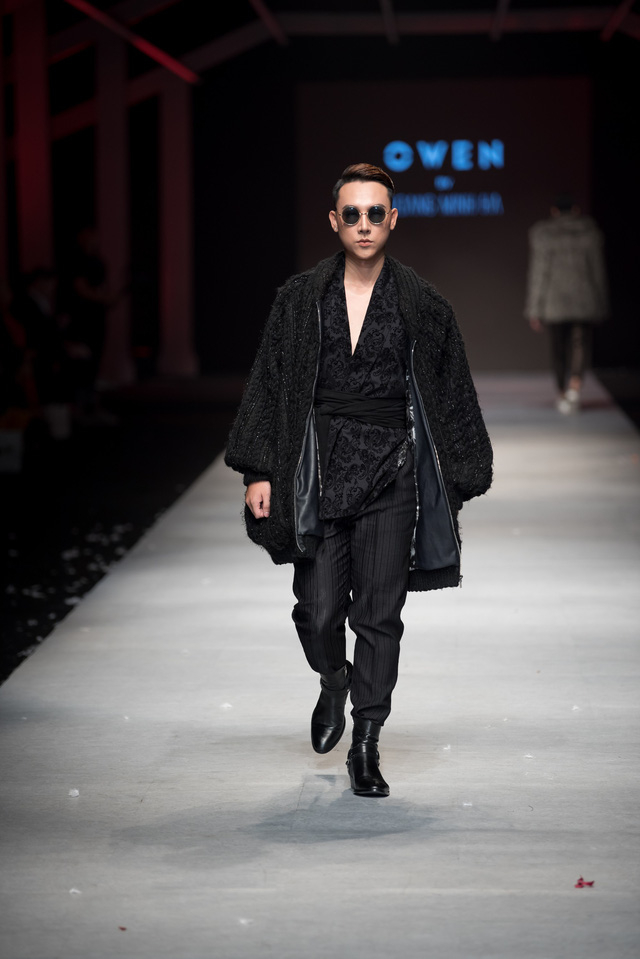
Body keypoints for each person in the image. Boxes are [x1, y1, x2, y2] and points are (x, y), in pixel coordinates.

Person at [225, 163, 493, 798]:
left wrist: (456, 478)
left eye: (376, 213)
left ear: (393, 219)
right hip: (318, 468)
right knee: (318, 609)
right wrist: (259, 468)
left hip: (392, 471)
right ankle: (333, 679)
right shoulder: (301, 299)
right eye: (353, 214)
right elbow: (270, 381)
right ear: (334, 221)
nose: (365, 224)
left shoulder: (425, 305)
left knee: (379, 614)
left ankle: (366, 743)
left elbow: (452, 391)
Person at [525, 195, 609, 414]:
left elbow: (539, 273)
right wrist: (600, 303)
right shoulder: (589, 234)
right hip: (584, 297)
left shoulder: (545, 235)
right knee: (580, 342)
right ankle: (574, 387)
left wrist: (535, 309)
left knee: (558, 346)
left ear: (554, 211)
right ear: (576, 210)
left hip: (554, 300)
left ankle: (562, 391)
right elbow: (597, 272)